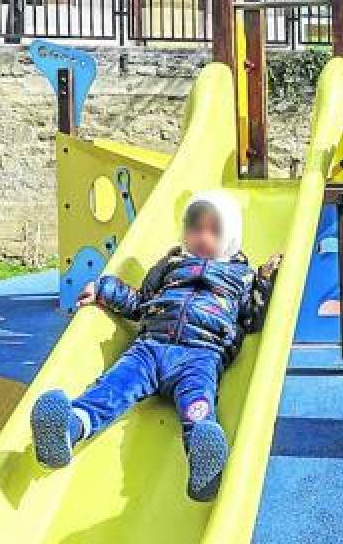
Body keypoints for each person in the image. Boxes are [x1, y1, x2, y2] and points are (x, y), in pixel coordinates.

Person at [29, 191, 280, 502]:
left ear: (230, 237)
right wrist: (104, 289)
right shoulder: (171, 264)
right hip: (150, 347)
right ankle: (68, 429)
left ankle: (204, 465)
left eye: (214, 230)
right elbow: (140, 302)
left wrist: (266, 279)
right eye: (195, 227)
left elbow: (253, 319)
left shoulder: (242, 277)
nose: (202, 236)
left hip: (201, 354)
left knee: (197, 405)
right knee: (112, 388)